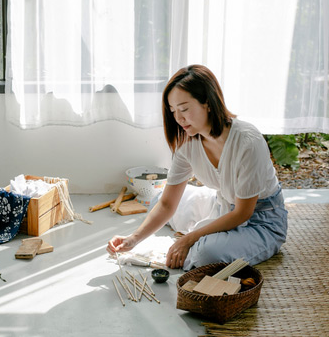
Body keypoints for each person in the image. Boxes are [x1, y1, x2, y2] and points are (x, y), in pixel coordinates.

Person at [106, 64, 288, 270]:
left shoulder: (247, 141)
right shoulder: (188, 143)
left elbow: (242, 214)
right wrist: (133, 239)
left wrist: (187, 239)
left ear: (208, 103)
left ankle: (207, 234)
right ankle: (204, 219)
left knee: (203, 255)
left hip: (260, 221)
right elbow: (167, 204)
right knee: (157, 200)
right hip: (223, 205)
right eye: (173, 111)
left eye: (184, 109)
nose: (178, 118)